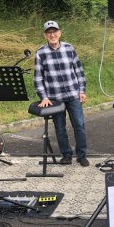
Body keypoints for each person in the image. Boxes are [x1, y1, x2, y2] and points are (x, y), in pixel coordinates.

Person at [34, 20, 89, 167]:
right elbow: (38, 78)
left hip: (73, 95)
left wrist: (82, 90)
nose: (52, 35)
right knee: (59, 127)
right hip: (55, 98)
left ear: (59, 33)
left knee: (79, 125)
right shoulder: (41, 53)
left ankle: (81, 155)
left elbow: (79, 71)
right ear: (45, 35)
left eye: (54, 32)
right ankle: (66, 155)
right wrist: (43, 97)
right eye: (49, 33)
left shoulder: (69, 48)